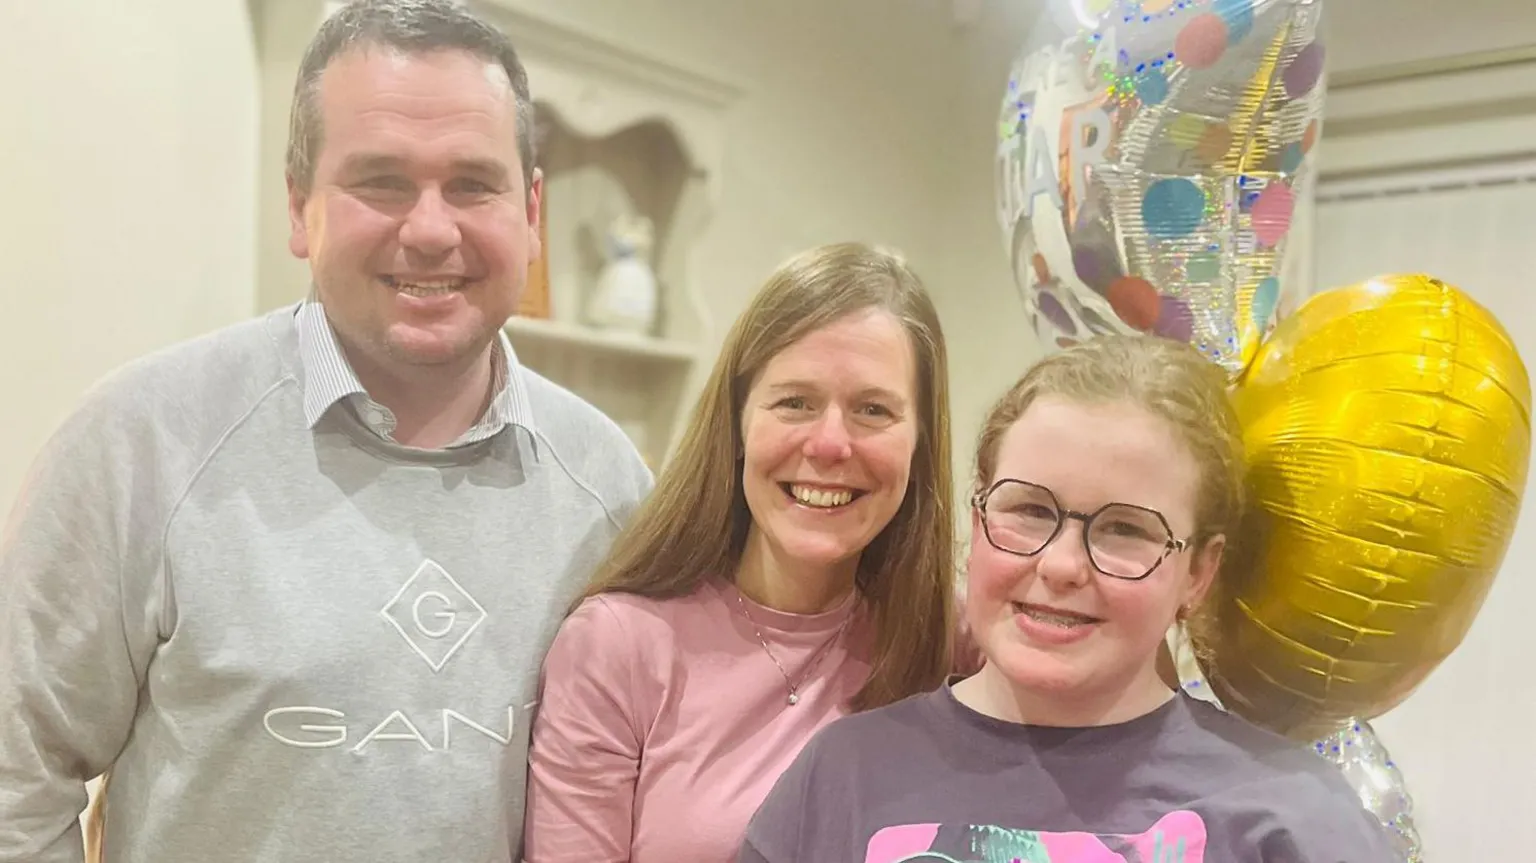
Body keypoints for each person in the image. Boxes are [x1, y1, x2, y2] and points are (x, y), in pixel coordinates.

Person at [0, 1, 651, 861]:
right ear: (300, 203)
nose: (429, 228)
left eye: (472, 183)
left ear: (530, 209)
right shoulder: (141, 442)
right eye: (380, 181)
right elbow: (18, 776)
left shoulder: (611, 486)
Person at [738, 335, 1400, 862]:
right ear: (978, 516)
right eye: (1028, 509)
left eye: (1124, 530)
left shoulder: (1297, 817)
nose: (1059, 564)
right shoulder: (845, 775)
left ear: (1198, 571)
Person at [522, 242, 957, 862]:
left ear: (919, 445)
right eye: (795, 402)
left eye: (873, 410)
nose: (830, 443)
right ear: (737, 423)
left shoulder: (947, 638)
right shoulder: (617, 647)